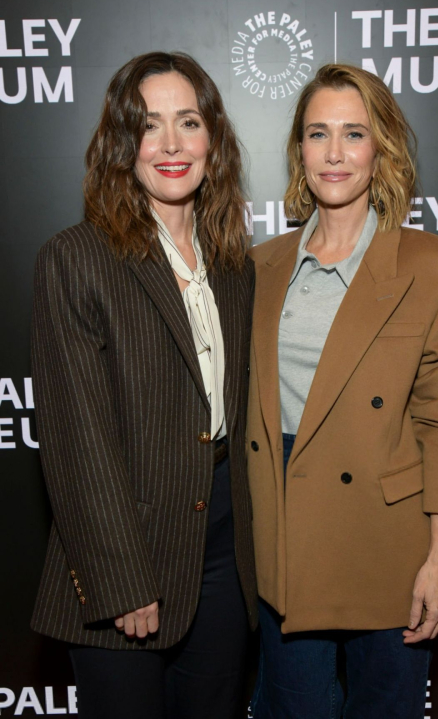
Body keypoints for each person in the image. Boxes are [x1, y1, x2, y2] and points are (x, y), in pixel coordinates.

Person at [247, 63, 438, 719]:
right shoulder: (258, 268)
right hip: (285, 537)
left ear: (382, 148)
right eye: (318, 134)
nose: (335, 152)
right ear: (300, 151)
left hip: (389, 546)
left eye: (354, 133)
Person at [31, 51, 257, 719]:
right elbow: (76, 443)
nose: (170, 145)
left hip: (222, 546)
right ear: (121, 143)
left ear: (212, 138)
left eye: (187, 122)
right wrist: (120, 579)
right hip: (125, 546)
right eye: (148, 125)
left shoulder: (234, 265)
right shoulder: (76, 258)